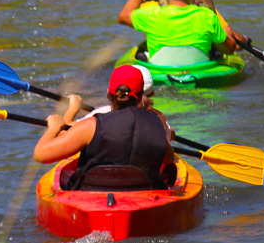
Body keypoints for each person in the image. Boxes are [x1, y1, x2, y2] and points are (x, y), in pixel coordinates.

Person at [33, 65, 176, 190]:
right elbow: (169, 159)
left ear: (109, 94)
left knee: (66, 176)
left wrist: (53, 127)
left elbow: (40, 155)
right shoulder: (157, 124)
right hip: (142, 193)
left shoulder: (91, 126)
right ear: (140, 97)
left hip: (93, 194)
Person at [118, 0, 237, 62]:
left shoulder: (150, 14)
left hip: (161, 74)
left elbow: (123, 17)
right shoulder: (207, 16)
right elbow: (230, 49)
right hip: (199, 71)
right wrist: (227, 34)